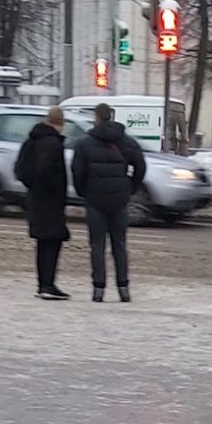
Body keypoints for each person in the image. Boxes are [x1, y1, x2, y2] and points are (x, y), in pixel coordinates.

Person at [71, 102, 146, 303]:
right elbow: (140, 167)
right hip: (119, 198)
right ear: (111, 117)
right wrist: (130, 187)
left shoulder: (85, 143)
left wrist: (83, 191)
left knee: (97, 245)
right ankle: (123, 288)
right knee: (119, 244)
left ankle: (98, 288)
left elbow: (78, 171)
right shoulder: (127, 142)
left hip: (94, 198)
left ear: (96, 117)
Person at [16, 107, 71, 300]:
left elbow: (20, 169)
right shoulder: (52, 143)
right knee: (52, 242)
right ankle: (48, 284)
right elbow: (45, 170)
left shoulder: (32, 140)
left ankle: (43, 283)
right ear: (61, 124)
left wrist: (32, 185)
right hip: (50, 200)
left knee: (43, 242)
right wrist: (52, 188)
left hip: (36, 199)